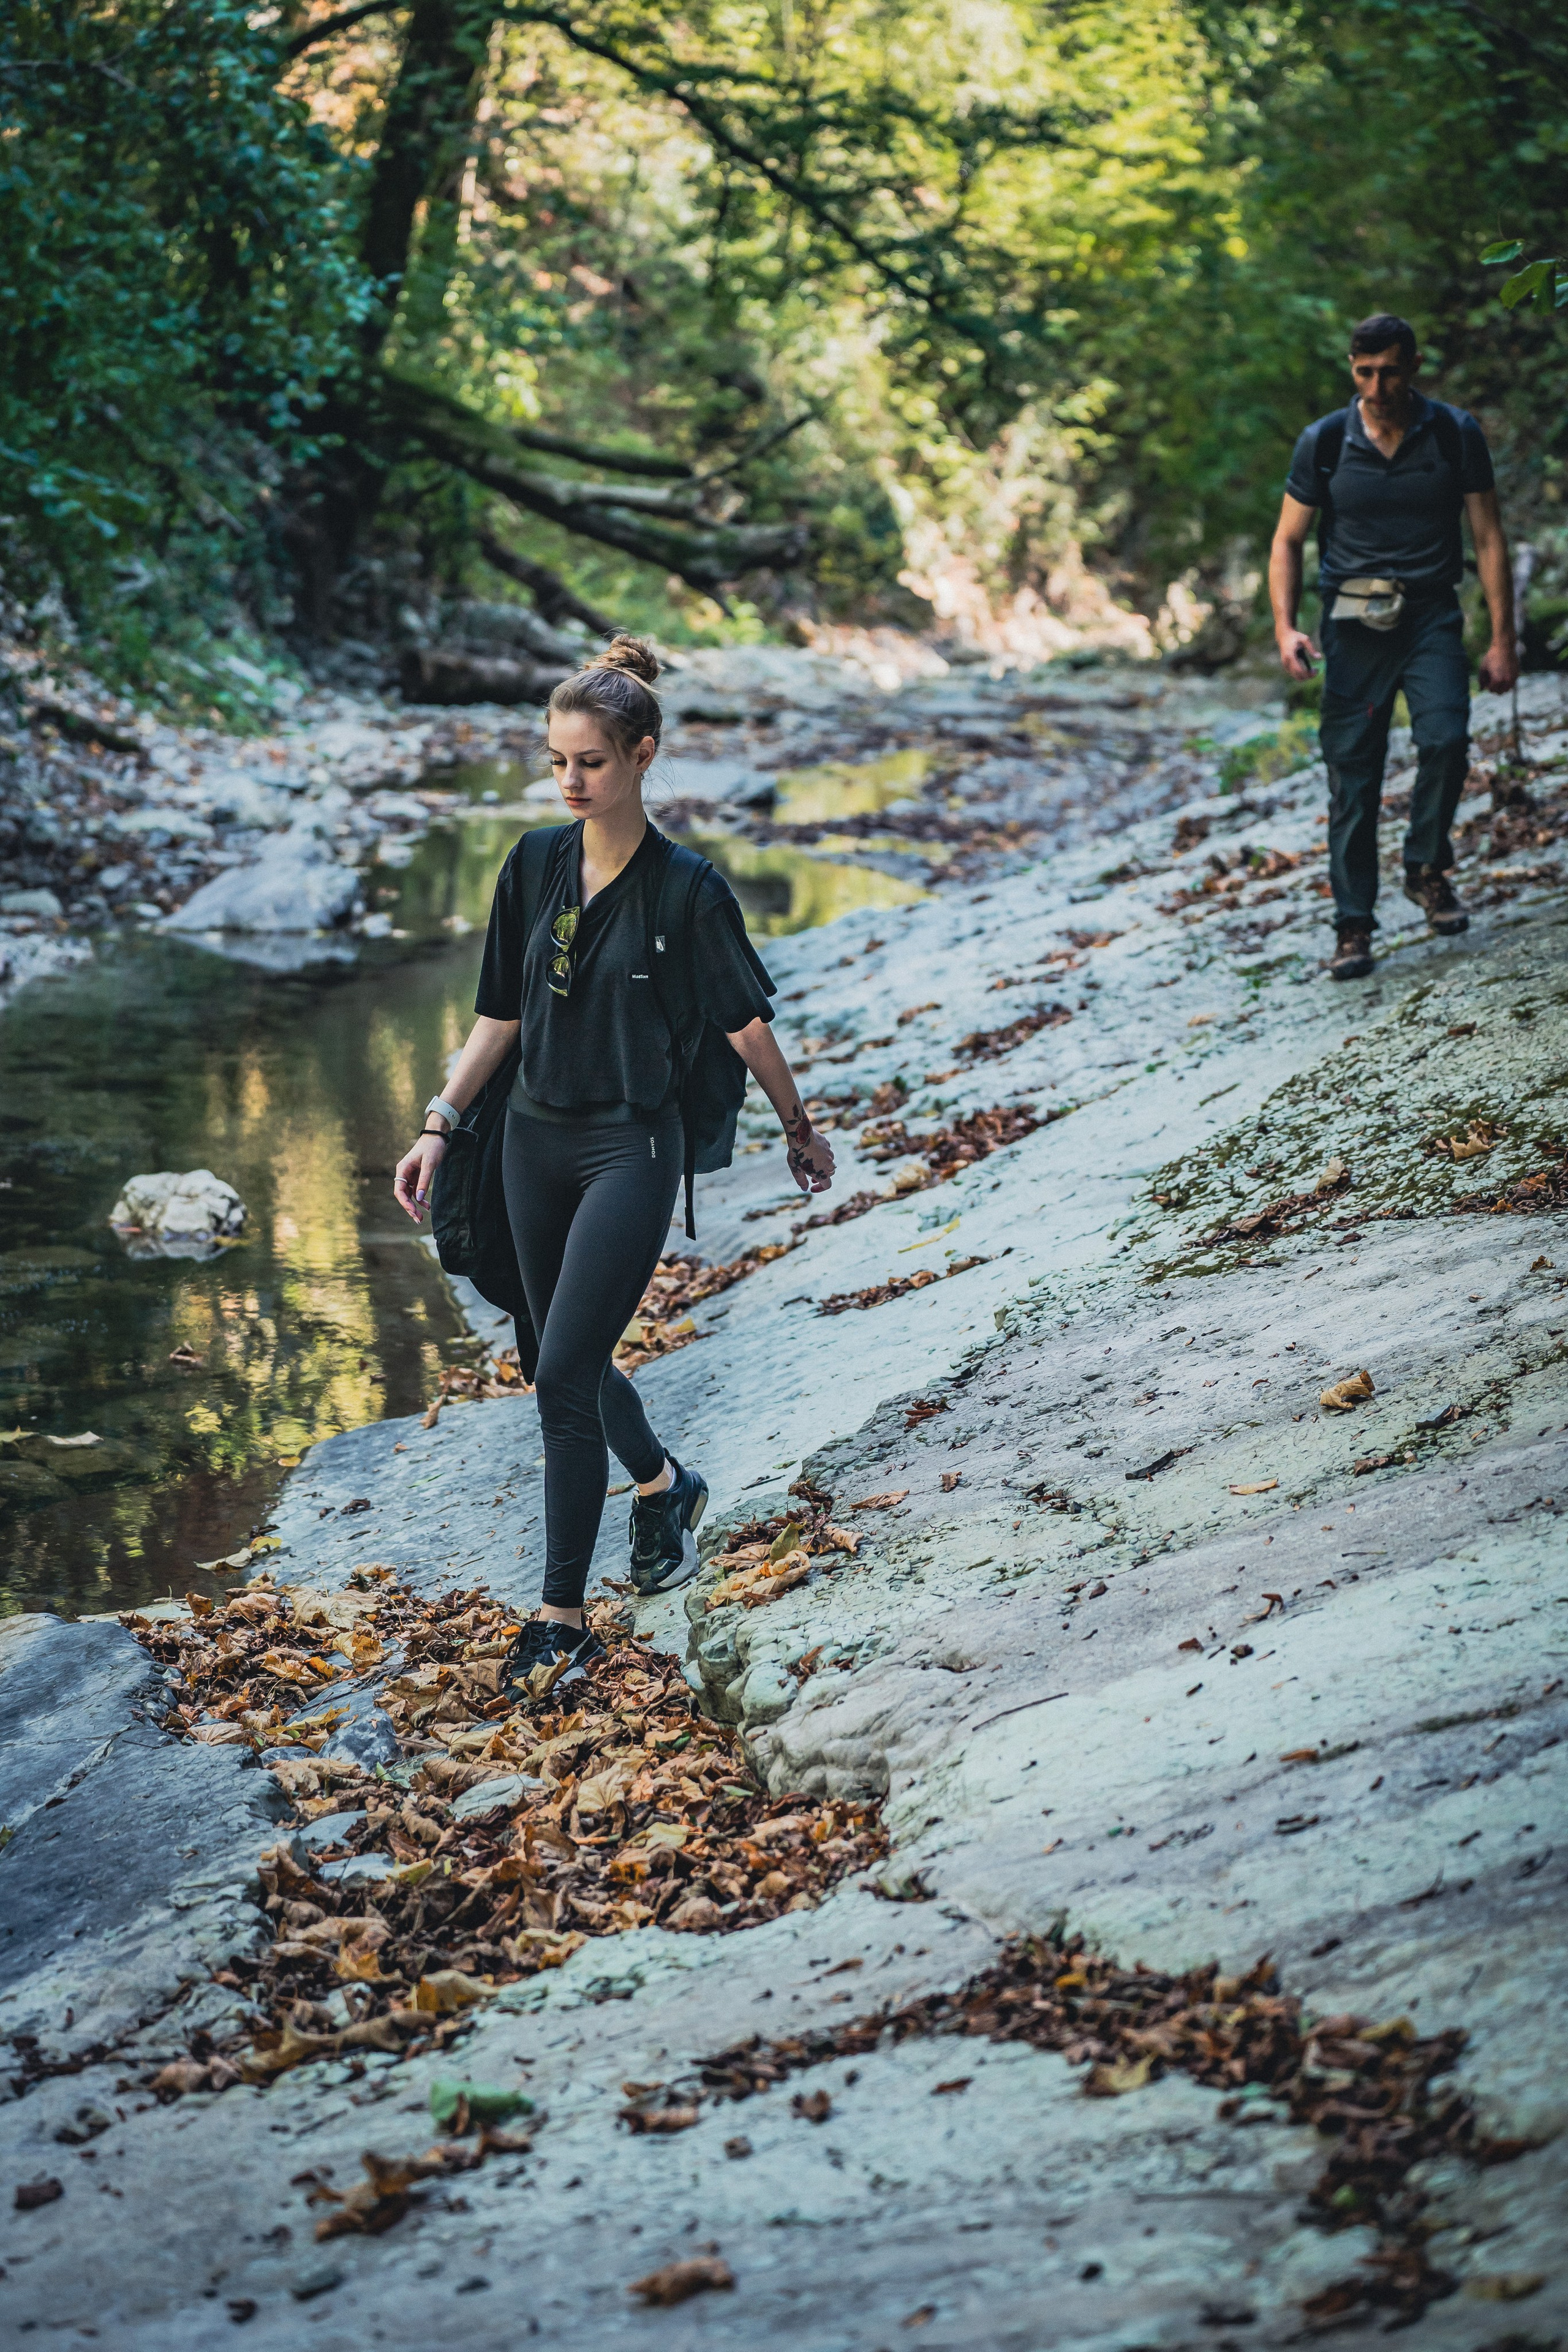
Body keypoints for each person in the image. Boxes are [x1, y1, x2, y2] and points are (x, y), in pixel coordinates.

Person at [391, 637, 835, 1692]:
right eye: (557, 761)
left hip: (630, 1151)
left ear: (642, 755)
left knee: (559, 1380)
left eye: (590, 761)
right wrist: (441, 1122)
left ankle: (560, 1618)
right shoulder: (533, 862)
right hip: (530, 1144)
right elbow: (499, 1014)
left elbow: (746, 1025)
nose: (570, 780)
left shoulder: (689, 890)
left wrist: (798, 1127)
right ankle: (666, 1484)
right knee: (561, 1357)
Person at [1268, 312, 1518, 981]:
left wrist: (1502, 639)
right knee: (1354, 775)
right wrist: (1285, 625)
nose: (1377, 385)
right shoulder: (1323, 442)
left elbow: (1489, 537)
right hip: (1352, 627)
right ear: (1352, 369)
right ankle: (1353, 925)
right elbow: (1287, 541)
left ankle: (1426, 867)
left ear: (1412, 366)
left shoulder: (1453, 433)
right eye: (1363, 372)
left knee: (1444, 739)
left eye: (1389, 371)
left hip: (1432, 616)